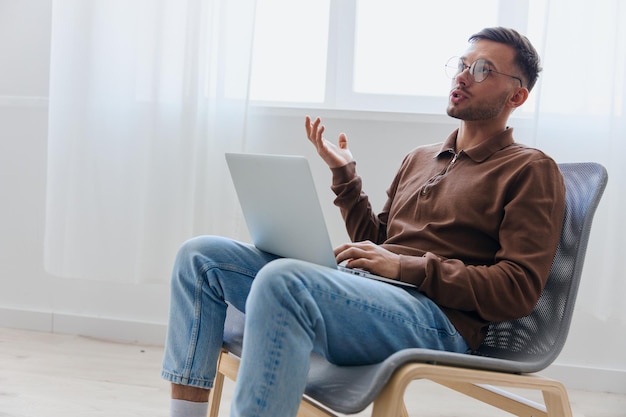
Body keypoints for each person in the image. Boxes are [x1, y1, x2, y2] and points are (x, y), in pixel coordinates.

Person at [161, 26, 565, 417]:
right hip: (373, 293)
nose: (463, 75)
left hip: (438, 319)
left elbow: (518, 289)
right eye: (463, 63)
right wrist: (346, 177)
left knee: (283, 280)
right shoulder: (420, 158)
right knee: (201, 257)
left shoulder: (530, 169)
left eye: (483, 70)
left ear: (518, 94)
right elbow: (378, 244)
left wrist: (407, 268)